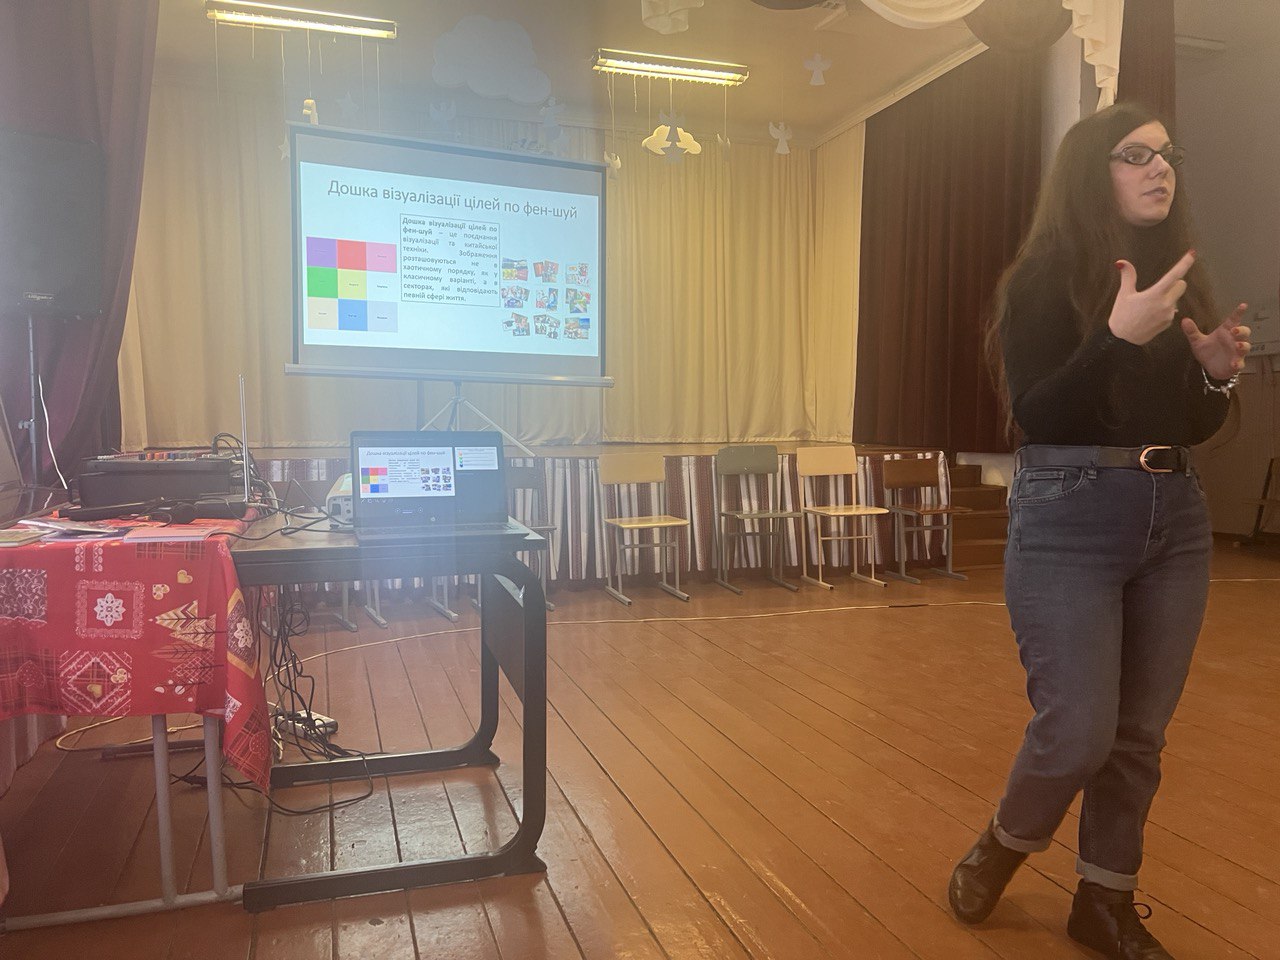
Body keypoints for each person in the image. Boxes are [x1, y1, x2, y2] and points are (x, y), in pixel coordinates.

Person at [948, 101, 1250, 960]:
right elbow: (1040, 414)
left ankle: (1104, 901)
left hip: (1174, 516)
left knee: (1139, 735)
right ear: (1092, 170)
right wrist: (1115, 337)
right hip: (1068, 513)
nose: (1161, 169)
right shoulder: (1042, 280)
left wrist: (1215, 381)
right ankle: (1005, 841)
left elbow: (1185, 426)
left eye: (1168, 155)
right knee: (1078, 728)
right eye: (1135, 155)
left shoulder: (1174, 286)